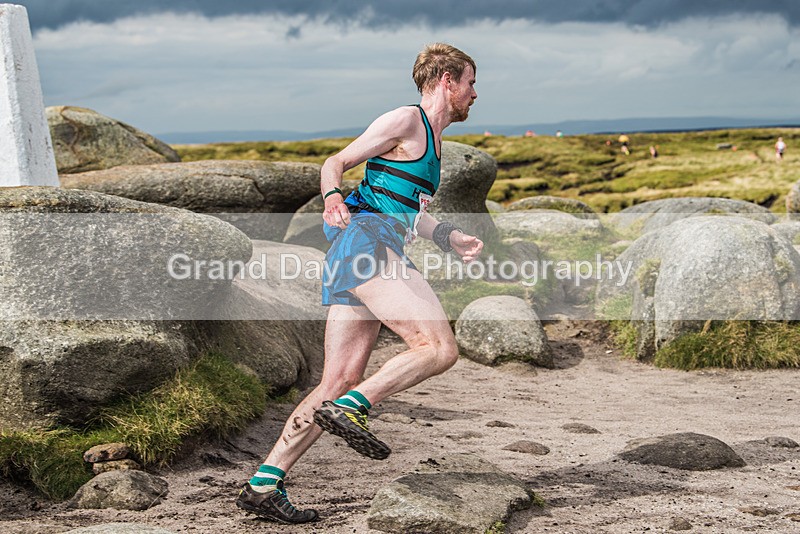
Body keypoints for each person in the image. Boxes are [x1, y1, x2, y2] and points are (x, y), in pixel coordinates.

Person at [235, 42, 484, 524]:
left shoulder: (433, 142)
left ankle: (265, 483)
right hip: (366, 244)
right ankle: (354, 407)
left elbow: (404, 211)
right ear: (447, 80)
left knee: (336, 380)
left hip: (368, 247)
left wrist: (449, 235)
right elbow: (335, 163)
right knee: (438, 347)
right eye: (471, 82)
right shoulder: (405, 120)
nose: (476, 94)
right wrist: (332, 197)